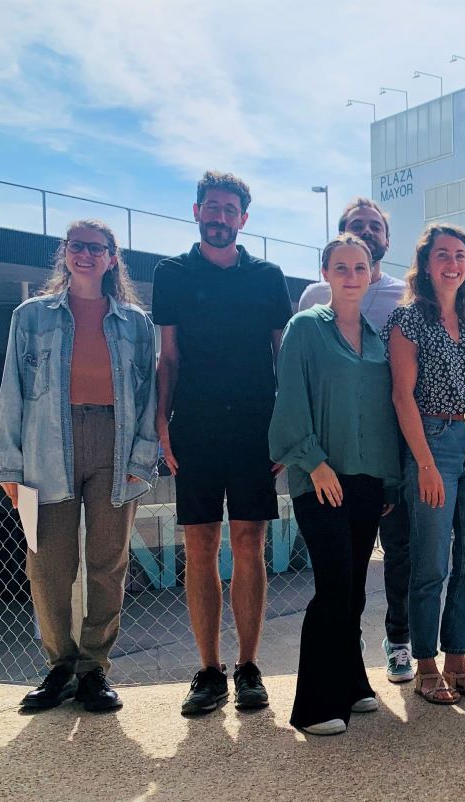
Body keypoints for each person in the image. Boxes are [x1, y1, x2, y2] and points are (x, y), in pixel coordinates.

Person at [0, 220, 158, 712]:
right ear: (66, 253)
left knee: (108, 564)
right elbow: (12, 390)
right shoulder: (31, 317)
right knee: (47, 565)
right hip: (46, 448)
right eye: (77, 246)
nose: (86, 254)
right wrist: (8, 465)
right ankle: (59, 666)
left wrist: (142, 457)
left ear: (112, 258)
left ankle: (94, 670)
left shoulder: (135, 323)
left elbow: (149, 396)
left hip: (115, 443)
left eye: (97, 248)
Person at [153, 171, 292, 715]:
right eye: (211, 207)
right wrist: (163, 424)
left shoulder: (267, 276)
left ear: (243, 219)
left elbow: (282, 357)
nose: (219, 217)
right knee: (200, 546)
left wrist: (283, 429)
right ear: (196, 212)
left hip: (255, 428)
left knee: (250, 542)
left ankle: (250, 668)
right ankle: (209, 671)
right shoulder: (171, 274)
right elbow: (169, 358)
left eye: (229, 209)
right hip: (196, 427)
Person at [269, 234, 402, 736]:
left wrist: (389, 481)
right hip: (321, 478)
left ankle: (352, 683)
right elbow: (291, 401)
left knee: (353, 593)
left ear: (371, 274)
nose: (351, 275)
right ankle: (313, 705)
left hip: (368, 483)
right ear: (325, 274)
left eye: (360, 267)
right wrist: (314, 463)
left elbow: (381, 415)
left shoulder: (375, 337)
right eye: (341, 267)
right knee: (332, 587)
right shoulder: (306, 328)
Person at [386, 223, 465, 705]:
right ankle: (425, 665)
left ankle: (457, 661)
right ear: (425, 262)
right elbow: (402, 396)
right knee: (431, 562)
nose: (452, 263)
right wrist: (424, 464)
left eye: (460, 255)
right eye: (443, 254)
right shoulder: (407, 320)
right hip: (434, 443)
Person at [296, 198, 416, 683]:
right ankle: (347, 653)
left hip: (392, 448)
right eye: (354, 227)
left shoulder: (404, 297)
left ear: (385, 240)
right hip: (333, 453)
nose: (366, 232)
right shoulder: (310, 305)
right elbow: (298, 377)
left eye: (374, 227)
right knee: (340, 568)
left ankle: (399, 640)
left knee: (399, 550)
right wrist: (302, 450)